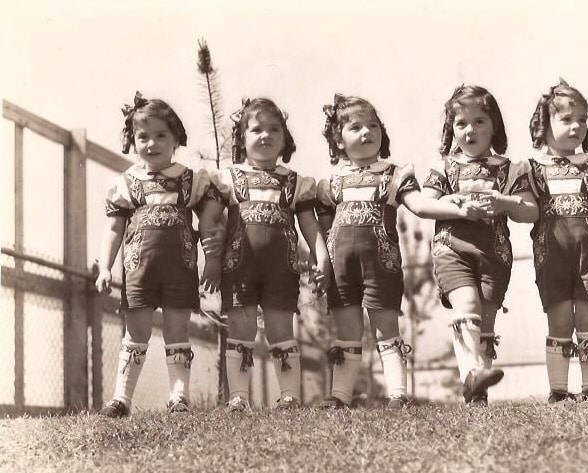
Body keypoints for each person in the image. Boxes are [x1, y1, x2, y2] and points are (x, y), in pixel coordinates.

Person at [316, 94, 481, 409]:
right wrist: (321, 260)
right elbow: (324, 226)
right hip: (341, 269)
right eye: (356, 127)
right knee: (347, 331)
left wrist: (452, 206)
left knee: (386, 329)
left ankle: (398, 394)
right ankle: (340, 396)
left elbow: (419, 205)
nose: (367, 132)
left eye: (373, 125)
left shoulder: (393, 174)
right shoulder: (331, 183)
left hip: (382, 265)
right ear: (338, 140)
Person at [96, 92, 222, 417]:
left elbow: (211, 213)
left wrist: (211, 253)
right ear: (133, 140)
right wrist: (105, 268)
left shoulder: (191, 179)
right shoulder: (126, 183)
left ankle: (178, 397)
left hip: (180, 266)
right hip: (138, 268)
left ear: (176, 137)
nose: (152, 143)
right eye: (143, 137)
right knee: (136, 330)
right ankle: (121, 398)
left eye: (160, 135)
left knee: (177, 330)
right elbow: (113, 229)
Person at [209, 97, 330, 411]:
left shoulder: (294, 183)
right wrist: (210, 253)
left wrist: (322, 257)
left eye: (274, 129)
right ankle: (239, 397)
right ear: (242, 139)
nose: (265, 136)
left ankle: (290, 396)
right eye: (256, 129)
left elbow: (309, 225)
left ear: (284, 139)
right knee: (242, 330)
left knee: (281, 329)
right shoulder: (229, 180)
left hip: (281, 269)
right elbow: (210, 220)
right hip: (239, 266)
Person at [422, 85, 539, 407]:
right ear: (451, 130)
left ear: (494, 126)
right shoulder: (444, 167)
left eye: (479, 121)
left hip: (494, 253)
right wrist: (455, 205)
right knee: (467, 307)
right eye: (461, 123)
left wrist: (504, 202)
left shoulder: (511, 168)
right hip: (452, 248)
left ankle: (477, 393)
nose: (470, 130)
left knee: (485, 321)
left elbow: (531, 211)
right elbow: (425, 204)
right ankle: (472, 373)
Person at [524, 79, 588, 403]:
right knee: (560, 319)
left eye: (582, 119)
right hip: (551, 255)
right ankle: (557, 390)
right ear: (544, 126)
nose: (577, 126)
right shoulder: (531, 170)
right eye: (567, 119)